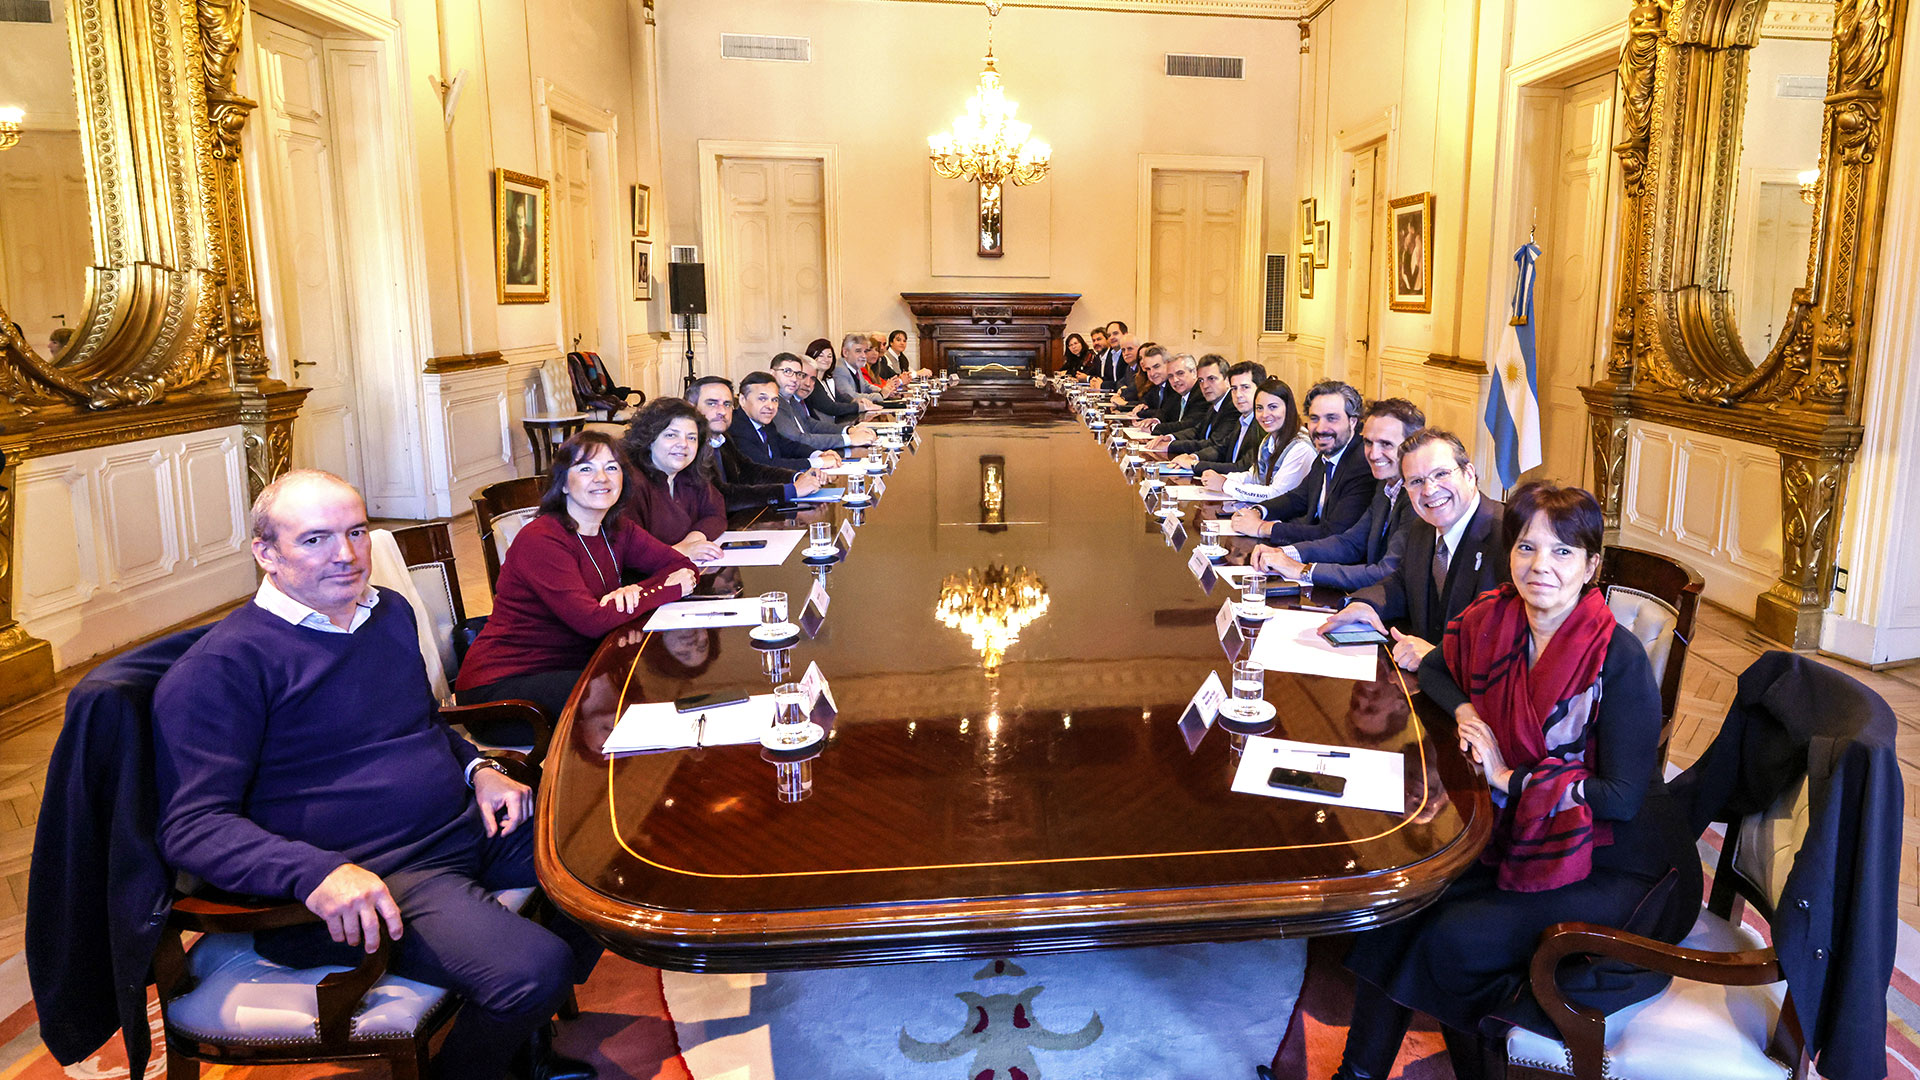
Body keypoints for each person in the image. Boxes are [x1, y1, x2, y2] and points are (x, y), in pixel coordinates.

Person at [153, 470, 610, 1080]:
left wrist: (479, 769)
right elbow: (192, 827)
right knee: (531, 970)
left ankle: (520, 1044)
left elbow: (421, 724)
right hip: (370, 876)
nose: (345, 555)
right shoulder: (223, 667)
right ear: (266, 554)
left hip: (461, 826)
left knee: (610, 861)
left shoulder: (386, 613)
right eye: (314, 540)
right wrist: (318, 871)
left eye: (356, 532)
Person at [1332, 482, 1688, 1080]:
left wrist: (1508, 776)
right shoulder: (1495, 617)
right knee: (1405, 907)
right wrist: (1468, 711)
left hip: (1619, 862)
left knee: (1452, 942)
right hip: (1525, 830)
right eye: (1526, 548)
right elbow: (1439, 670)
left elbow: (1622, 799)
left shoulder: (1615, 658)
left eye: (1562, 552)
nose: (1540, 566)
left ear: (1591, 566)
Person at [459, 431, 699, 721]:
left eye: (612, 467)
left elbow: (682, 566)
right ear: (562, 484)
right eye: (586, 468)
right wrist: (658, 591)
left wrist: (632, 591)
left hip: (572, 665)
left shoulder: (618, 528)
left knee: (653, 678)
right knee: (628, 696)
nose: (602, 478)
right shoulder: (542, 539)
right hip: (503, 687)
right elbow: (592, 622)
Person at [1319, 428, 1508, 671]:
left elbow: (1511, 640)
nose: (1429, 490)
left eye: (1441, 474)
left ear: (1469, 474)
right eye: (1417, 481)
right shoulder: (1422, 527)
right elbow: (1402, 584)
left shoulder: (1507, 536)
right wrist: (1365, 604)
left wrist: (1438, 657)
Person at [1254, 398, 1425, 591]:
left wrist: (1302, 570)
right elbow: (1350, 543)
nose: (1373, 454)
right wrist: (1284, 553)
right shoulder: (1385, 486)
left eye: (1386, 444)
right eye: (1368, 442)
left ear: (1412, 447)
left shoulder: (1418, 498)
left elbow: (1386, 572)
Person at [1230, 381, 1370, 544]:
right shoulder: (1326, 453)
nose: (1320, 428)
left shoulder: (1362, 465)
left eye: (1331, 418)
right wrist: (1258, 511)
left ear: (1352, 421)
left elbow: (1332, 533)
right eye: (1314, 418)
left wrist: (1263, 528)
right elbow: (1298, 498)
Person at [686, 375, 824, 510]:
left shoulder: (723, 438)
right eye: (712, 403)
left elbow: (750, 470)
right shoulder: (689, 448)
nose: (722, 411)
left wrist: (796, 477)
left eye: (727, 404)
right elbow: (722, 496)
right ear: (691, 407)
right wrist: (791, 490)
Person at [621, 398, 728, 560]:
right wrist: (679, 552)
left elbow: (716, 514)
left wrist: (693, 540)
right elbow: (629, 552)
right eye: (671, 435)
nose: (683, 444)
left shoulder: (689, 475)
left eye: (691, 438)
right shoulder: (631, 483)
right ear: (649, 439)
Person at [1202, 376, 1313, 503]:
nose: (1265, 415)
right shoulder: (1268, 440)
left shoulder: (1301, 448)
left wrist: (1225, 485)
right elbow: (1255, 476)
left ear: (1288, 408)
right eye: (1259, 408)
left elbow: (1276, 495)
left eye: (1273, 407)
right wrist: (1222, 478)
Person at [731, 369, 842, 472]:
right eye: (762, 399)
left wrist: (818, 454)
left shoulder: (764, 422)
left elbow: (787, 445)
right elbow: (765, 465)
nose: (770, 406)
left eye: (774, 400)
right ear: (742, 400)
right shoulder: (736, 428)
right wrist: (818, 463)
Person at [1173, 360, 1267, 476]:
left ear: (1261, 390)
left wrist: (1194, 464)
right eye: (1234, 388)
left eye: (1245, 387)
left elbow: (1243, 467)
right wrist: (1192, 456)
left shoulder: (1264, 425)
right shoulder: (1243, 419)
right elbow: (1221, 448)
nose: (1238, 395)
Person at [771, 353, 875, 451]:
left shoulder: (791, 400)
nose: (794, 379)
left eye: (797, 374)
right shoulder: (774, 403)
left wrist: (848, 430)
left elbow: (811, 424)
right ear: (772, 373)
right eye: (788, 372)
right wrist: (849, 439)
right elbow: (798, 439)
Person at [1150, 354, 1233, 453]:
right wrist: (1171, 437)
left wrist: (1171, 446)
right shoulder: (1215, 404)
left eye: (1211, 379)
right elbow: (1197, 431)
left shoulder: (1232, 406)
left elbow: (1214, 444)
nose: (1205, 386)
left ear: (1227, 380)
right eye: (1201, 380)